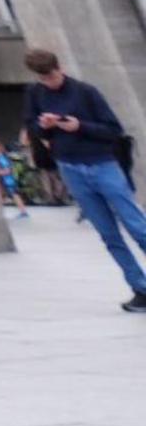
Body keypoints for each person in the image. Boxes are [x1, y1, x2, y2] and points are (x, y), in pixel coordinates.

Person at [17, 47, 146, 311]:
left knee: (137, 226)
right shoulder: (35, 94)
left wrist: (79, 126)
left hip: (103, 164)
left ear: (59, 68)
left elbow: (113, 130)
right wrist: (45, 125)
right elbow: (31, 126)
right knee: (108, 234)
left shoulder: (85, 92)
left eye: (52, 77)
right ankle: (139, 287)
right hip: (70, 167)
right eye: (43, 79)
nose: (49, 83)